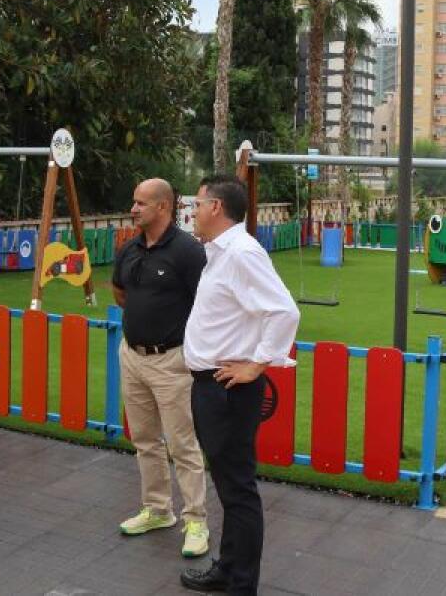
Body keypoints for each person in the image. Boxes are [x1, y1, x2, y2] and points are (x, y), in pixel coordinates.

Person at [179, 175, 300, 595]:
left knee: (238, 489)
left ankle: (241, 584)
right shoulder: (220, 252)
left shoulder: (242, 253)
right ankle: (228, 570)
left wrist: (256, 365)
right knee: (229, 486)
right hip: (212, 386)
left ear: (216, 207)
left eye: (196, 203)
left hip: (228, 388)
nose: (191, 211)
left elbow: (284, 311)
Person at [111, 178, 209, 557]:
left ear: (163, 207)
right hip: (132, 356)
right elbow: (120, 291)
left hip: (172, 361)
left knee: (183, 444)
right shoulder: (130, 247)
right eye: (133, 202)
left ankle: (196, 520)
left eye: (140, 204)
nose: (133, 209)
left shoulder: (187, 252)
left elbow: (206, 303)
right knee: (145, 439)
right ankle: (157, 510)